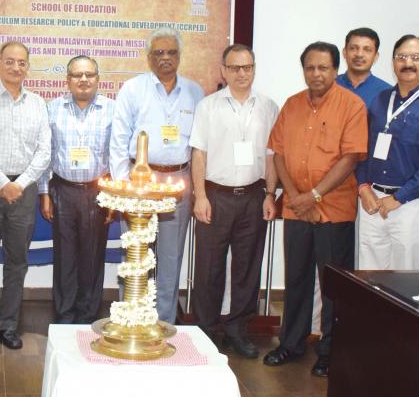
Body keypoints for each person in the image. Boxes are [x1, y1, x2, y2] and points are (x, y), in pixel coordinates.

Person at [264, 41, 367, 378]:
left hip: (334, 210)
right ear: (303, 70)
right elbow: (278, 152)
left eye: (323, 68)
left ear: (335, 70)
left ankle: (329, 351)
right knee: (296, 279)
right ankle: (290, 344)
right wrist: (296, 197)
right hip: (296, 209)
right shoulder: (292, 105)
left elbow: (350, 158)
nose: (316, 74)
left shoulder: (352, 105)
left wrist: (315, 196)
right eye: (310, 67)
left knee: (332, 285)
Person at [109, 28, 204, 324]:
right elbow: (119, 139)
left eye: (171, 52)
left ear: (179, 56)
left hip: (179, 181)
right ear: (149, 58)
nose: (165, 58)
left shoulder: (194, 91)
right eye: (159, 53)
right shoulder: (133, 89)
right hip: (140, 181)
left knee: (171, 257)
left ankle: (163, 322)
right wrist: (124, 188)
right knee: (136, 253)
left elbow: (201, 144)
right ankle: (129, 316)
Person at [189, 44, 279, 358]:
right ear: (224, 70)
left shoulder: (268, 106)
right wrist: (199, 196)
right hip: (216, 196)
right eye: (235, 67)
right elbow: (198, 154)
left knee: (247, 268)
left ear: (254, 68)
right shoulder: (208, 107)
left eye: (248, 67)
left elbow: (271, 156)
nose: (242, 73)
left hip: (253, 197)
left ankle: (238, 331)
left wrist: (270, 194)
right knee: (208, 268)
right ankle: (205, 331)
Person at [0, 41, 50, 350]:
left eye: (22, 62)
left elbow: (44, 152)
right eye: (10, 61)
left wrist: (22, 183)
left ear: (28, 67)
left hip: (24, 191)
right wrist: (4, 182)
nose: (16, 67)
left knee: (18, 262)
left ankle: (9, 324)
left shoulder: (38, 103)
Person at [38, 55, 115, 324]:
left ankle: (88, 315)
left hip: (98, 191)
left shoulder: (112, 109)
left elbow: (116, 156)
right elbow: (45, 154)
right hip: (63, 190)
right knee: (65, 255)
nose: (83, 80)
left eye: (89, 74)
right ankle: (64, 314)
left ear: (97, 78)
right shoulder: (52, 108)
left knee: (93, 255)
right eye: (77, 75)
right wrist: (44, 193)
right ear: (67, 79)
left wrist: (113, 198)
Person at [356, 35, 419, 270]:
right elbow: (364, 148)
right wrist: (363, 186)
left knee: (406, 277)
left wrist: (398, 198)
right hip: (372, 201)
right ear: (393, 62)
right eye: (402, 56)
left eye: (416, 57)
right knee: (369, 276)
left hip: (410, 205)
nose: (408, 63)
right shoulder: (381, 99)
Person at [336, 27, 392, 108]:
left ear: (376, 56)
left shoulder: (387, 93)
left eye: (367, 50)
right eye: (354, 48)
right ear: (344, 52)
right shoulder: (329, 86)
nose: (359, 54)